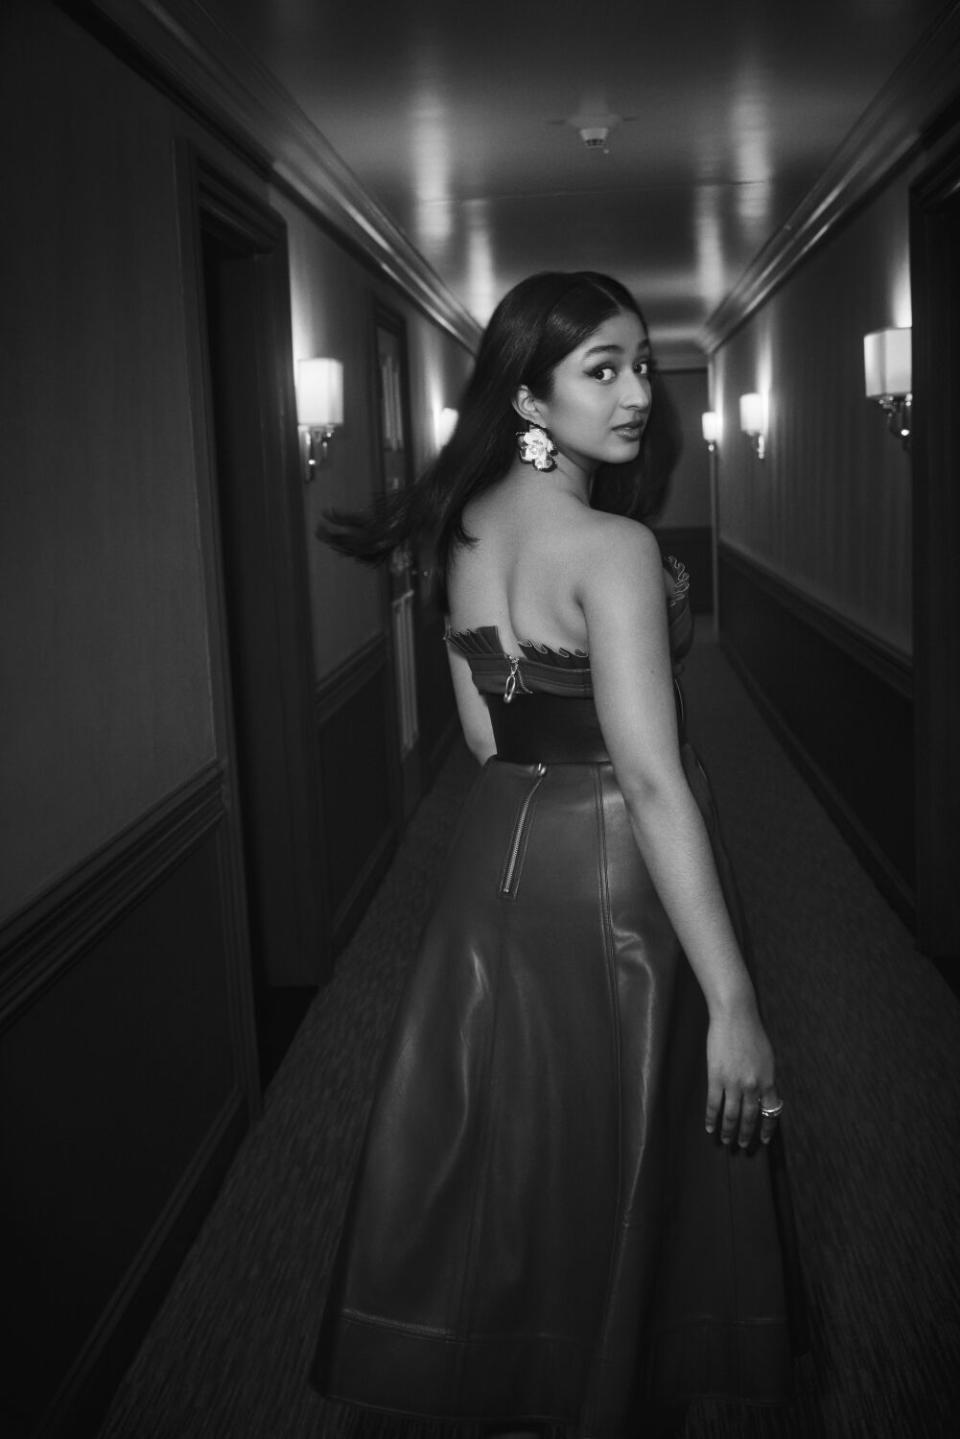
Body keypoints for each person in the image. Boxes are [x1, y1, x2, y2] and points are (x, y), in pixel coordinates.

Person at [312, 272, 801, 1438]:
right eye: (604, 370)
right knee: (623, 1141)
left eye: (643, 363)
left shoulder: (461, 531)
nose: (641, 393)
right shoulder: (613, 545)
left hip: (498, 859)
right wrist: (734, 998)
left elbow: (485, 737)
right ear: (531, 399)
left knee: (519, 1142)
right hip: (620, 866)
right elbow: (650, 774)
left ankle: (524, 1367)